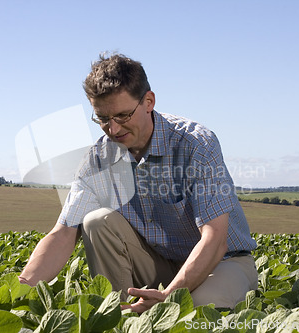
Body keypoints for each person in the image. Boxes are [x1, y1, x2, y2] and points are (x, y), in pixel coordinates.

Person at [19, 53, 258, 313]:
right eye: (102, 118)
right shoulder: (99, 159)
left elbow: (215, 240)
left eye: (122, 115)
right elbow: (62, 234)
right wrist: (20, 293)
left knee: (195, 309)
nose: (113, 129)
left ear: (148, 102)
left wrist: (169, 296)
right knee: (96, 221)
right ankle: (119, 315)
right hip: (160, 263)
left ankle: (156, 307)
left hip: (222, 262)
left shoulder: (195, 145)